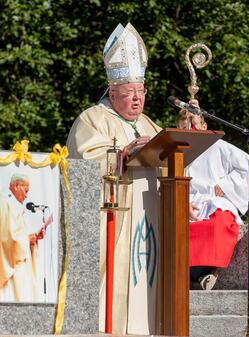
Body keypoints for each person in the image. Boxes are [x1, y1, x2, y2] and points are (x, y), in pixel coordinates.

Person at [66, 23, 161, 334]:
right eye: (129, 93)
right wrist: (122, 152)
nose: (137, 100)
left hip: (149, 219)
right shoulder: (92, 119)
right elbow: (84, 159)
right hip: (113, 220)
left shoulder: (149, 123)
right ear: (112, 92)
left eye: (140, 92)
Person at [177, 107, 249, 290]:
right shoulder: (177, 152)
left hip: (215, 199)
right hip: (189, 201)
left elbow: (248, 165)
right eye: (184, 127)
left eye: (193, 125)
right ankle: (195, 273)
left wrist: (226, 185)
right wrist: (182, 200)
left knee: (218, 224)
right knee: (179, 225)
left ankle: (203, 272)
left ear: (204, 126)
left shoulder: (219, 146)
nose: (190, 131)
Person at [0, 174, 52, 302]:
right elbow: (7, 241)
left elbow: (15, 235)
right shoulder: (5, 205)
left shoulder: (10, 205)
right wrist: (28, 239)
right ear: (16, 186)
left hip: (16, 269)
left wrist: (33, 240)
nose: (27, 196)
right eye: (26, 191)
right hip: (10, 275)